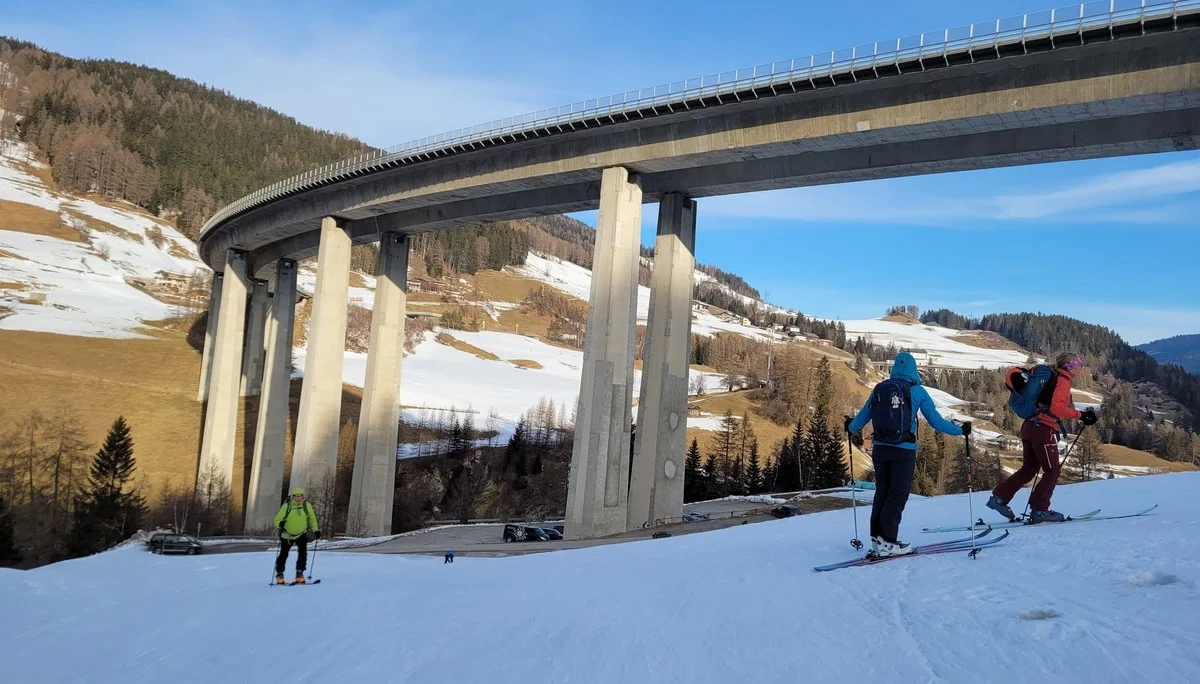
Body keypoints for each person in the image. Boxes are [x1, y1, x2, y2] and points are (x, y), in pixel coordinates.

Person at [846, 352, 967, 558]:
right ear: (913, 369)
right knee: (898, 494)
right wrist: (961, 430)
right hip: (904, 450)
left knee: (882, 491)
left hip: (880, 450)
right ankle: (889, 542)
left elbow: (860, 420)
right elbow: (936, 422)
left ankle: (877, 538)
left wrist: (849, 425)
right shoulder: (917, 391)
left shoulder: (879, 389)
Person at [988, 352, 1098, 523]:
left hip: (1030, 426)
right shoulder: (1063, 380)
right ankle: (1040, 510)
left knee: (1029, 468)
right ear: (1070, 366)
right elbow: (1057, 410)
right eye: (1078, 363)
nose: (1081, 367)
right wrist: (1081, 415)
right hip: (1043, 429)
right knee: (1052, 470)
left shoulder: (1052, 377)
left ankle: (999, 498)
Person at [273, 487, 320, 584]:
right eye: (296, 496)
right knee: (284, 554)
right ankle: (280, 573)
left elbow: (312, 518)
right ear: (293, 497)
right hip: (287, 535)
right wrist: (280, 524)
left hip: (301, 533)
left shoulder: (306, 506)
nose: (298, 498)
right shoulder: (287, 506)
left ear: (302, 497)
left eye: (300, 496)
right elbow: (277, 519)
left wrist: (316, 530)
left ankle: (300, 572)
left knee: (303, 553)